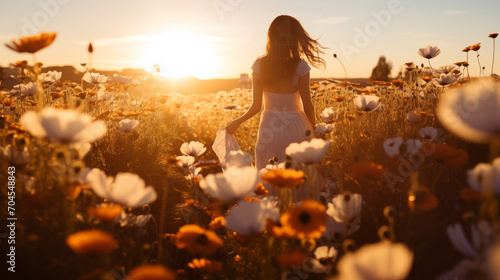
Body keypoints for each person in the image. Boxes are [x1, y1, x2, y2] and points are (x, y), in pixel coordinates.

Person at [225, 15, 326, 170]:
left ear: (271, 36)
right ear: (295, 39)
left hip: (268, 130)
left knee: (269, 175)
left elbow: (256, 107)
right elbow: (308, 107)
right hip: (297, 128)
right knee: (299, 179)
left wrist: (236, 122)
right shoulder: (300, 67)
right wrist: (315, 131)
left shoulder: (259, 66)